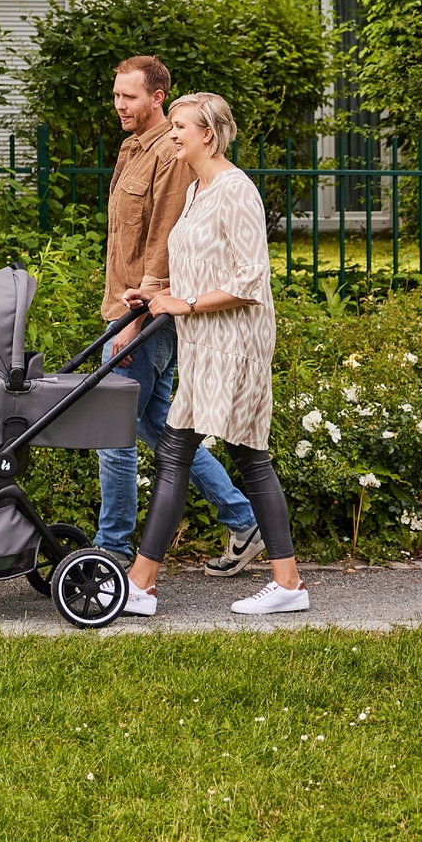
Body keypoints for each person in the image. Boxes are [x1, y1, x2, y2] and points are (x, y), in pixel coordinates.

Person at [121, 92, 309, 616]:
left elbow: (250, 280)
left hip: (236, 345)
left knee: (181, 450)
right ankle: (288, 583)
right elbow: (198, 262)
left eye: (181, 126)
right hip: (204, 344)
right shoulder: (197, 191)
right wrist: (154, 293)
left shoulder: (235, 190)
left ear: (209, 133)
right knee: (248, 457)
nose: (173, 134)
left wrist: (184, 303)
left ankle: (142, 582)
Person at [96, 56, 262, 575]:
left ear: (157, 98)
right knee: (156, 427)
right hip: (133, 308)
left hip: (147, 316)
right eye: (118, 95)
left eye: (130, 96)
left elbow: (166, 242)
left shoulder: (171, 153)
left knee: (112, 429)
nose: (120, 105)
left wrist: (135, 321)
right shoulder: (133, 147)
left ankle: (113, 548)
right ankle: (243, 519)